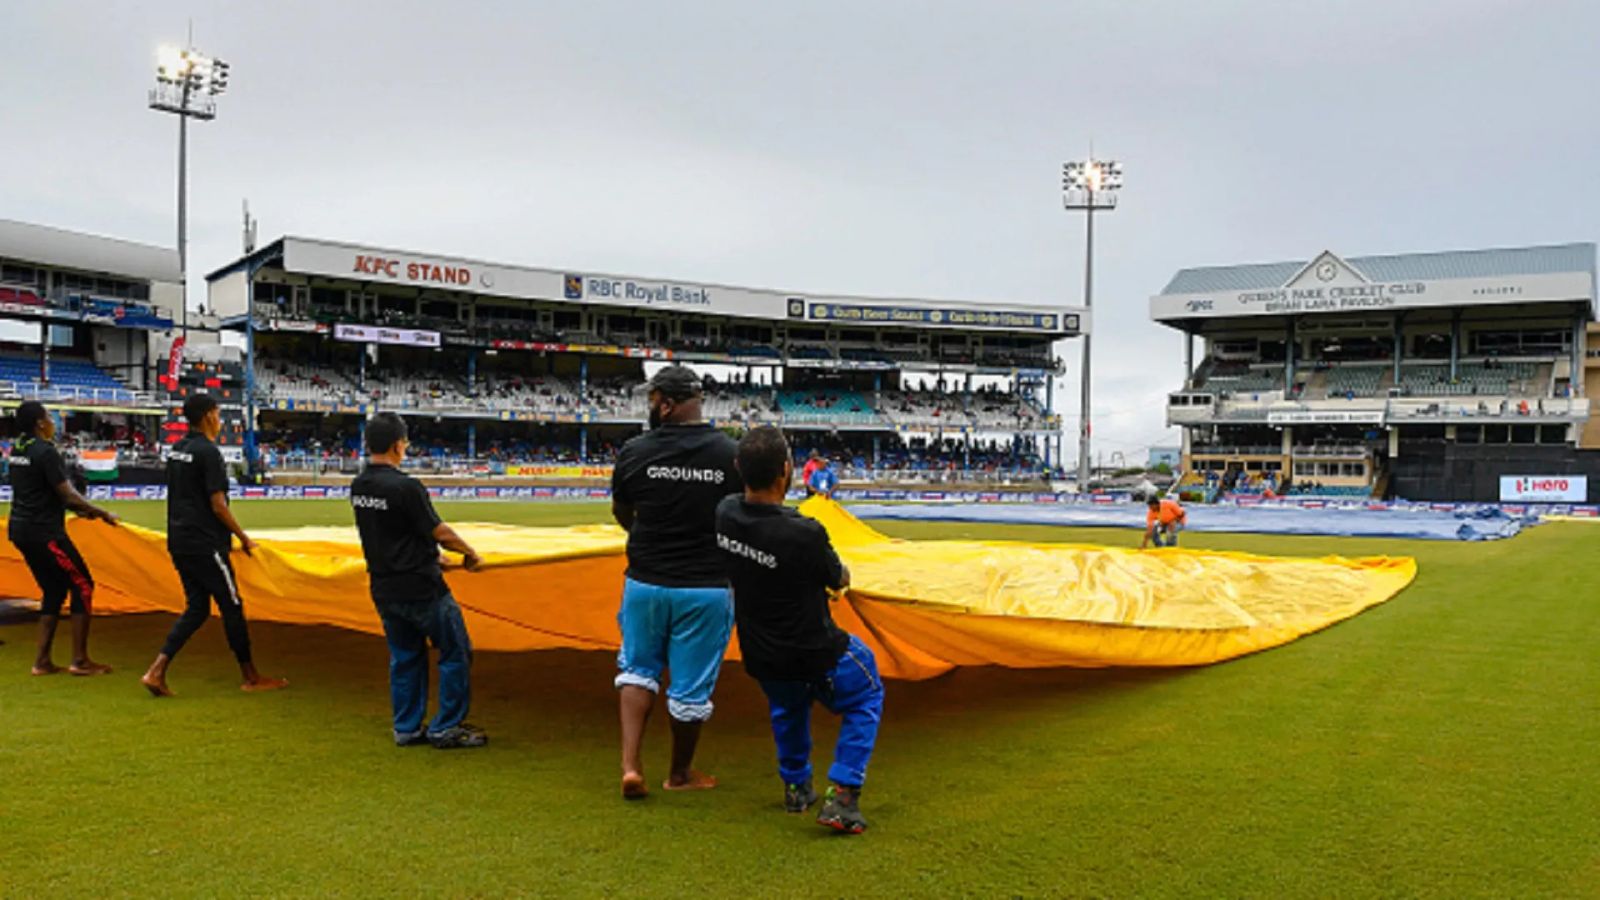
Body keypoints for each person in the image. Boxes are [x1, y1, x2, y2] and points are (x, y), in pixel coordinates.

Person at [716, 426, 882, 834]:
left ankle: (796, 787)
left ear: (739, 468)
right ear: (786, 472)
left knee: (787, 709)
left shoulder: (725, 514)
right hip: (817, 652)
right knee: (866, 692)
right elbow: (837, 577)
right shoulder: (803, 532)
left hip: (763, 654)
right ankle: (843, 795)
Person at [610, 364, 743, 799]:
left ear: (666, 403)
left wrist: (648, 538)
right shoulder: (730, 454)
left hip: (645, 581)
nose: (649, 406)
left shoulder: (634, 451)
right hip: (706, 587)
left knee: (636, 669)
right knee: (690, 688)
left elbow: (622, 513)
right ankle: (680, 773)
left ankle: (631, 766)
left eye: (652, 399)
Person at [351, 413, 487, 749]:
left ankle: (407, 727)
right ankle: (446, 726)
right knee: (454, 652)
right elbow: (438, 531)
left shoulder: (360, 485)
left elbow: (390, 533)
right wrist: (469, 553)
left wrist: (429, 554)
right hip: (422, 588)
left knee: (405, 657)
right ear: (399, 445)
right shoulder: (406, 487)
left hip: (384, 587)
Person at [140, 393, 288, 697]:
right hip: (205, 543)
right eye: (218, 413)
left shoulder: (177, 449)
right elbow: (218, 505)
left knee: (197, 608)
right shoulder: (209, 453)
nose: (220, 419)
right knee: (232, 606)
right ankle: (250, 676)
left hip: (179, 540)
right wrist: (244, 539)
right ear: (209, 415)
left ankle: (156, 671)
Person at [7, 401, 120, 675]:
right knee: (83, 584)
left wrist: (84, 511)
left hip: (20, 528)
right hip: (44, 532)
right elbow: (66, 493)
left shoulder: (17, 450)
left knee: (55, 589)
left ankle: (42, 661)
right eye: (49, 417)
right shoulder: (46, 452)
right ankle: (80, 661)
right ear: (39, 423)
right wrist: (101, 512)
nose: (53, 422)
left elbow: (43, 492)